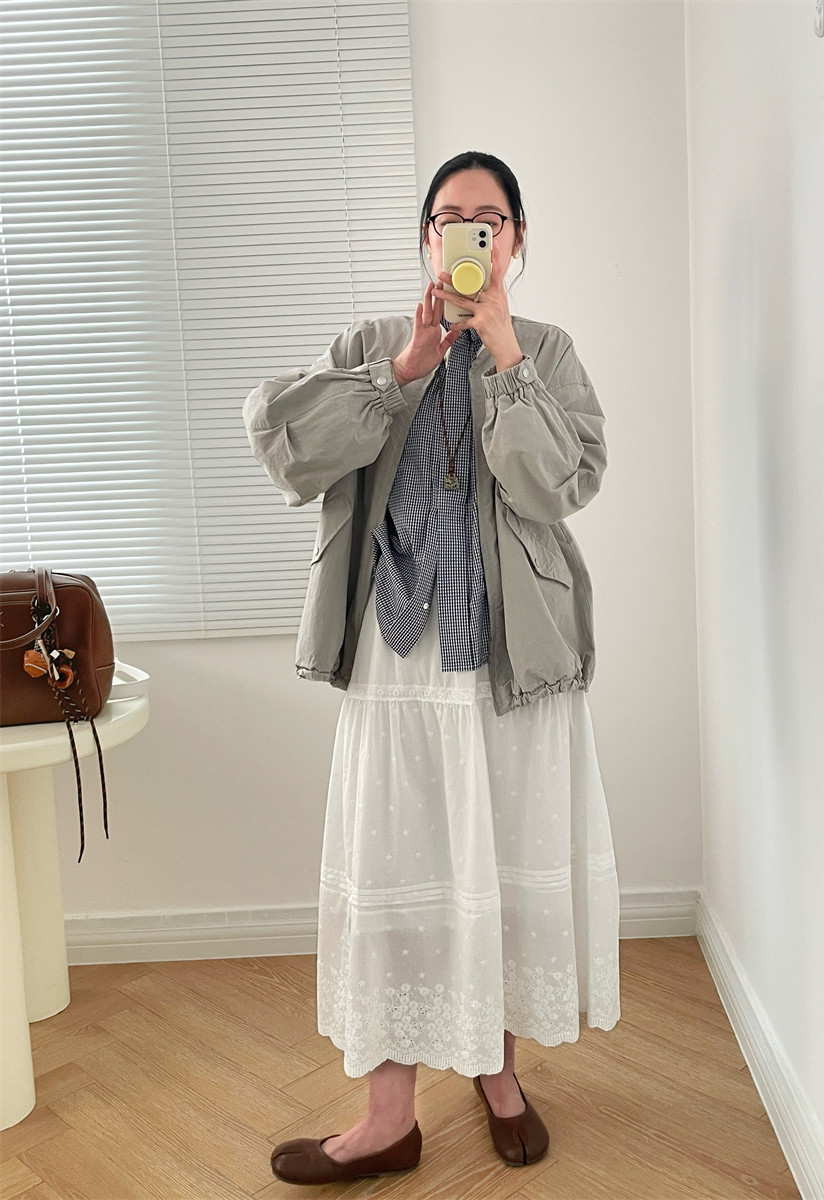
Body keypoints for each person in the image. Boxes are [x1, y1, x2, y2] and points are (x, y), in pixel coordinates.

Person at [243, 150, 621, 1187]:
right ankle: (388, 1120)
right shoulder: (371, 345)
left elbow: (558, 486)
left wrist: (504, 354)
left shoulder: (546, 350)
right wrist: (400, 372)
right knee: (396, 874)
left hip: (509, 663)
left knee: (498, 862)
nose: (470, 234)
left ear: (516, 240)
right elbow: (285, 448)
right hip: (395, 665)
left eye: (489, 219)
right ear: (426, 239)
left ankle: (499, 1074)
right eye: (451, 217)